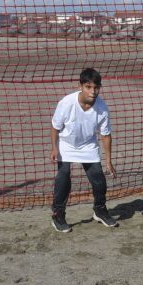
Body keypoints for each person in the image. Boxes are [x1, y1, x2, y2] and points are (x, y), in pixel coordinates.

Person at [50, 68, 117, 232]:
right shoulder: (66, 103)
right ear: (80, 86)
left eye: (96, 88)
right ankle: (58, 215)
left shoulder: (102, 108)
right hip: (66, 144)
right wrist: (54, 148)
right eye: (88, 87)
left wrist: (108, 161)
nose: (92, 92)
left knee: (99, 180)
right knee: (63, 177)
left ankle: (100, 210)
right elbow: (55, 127)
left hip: (88, 145)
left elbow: (105, 134)